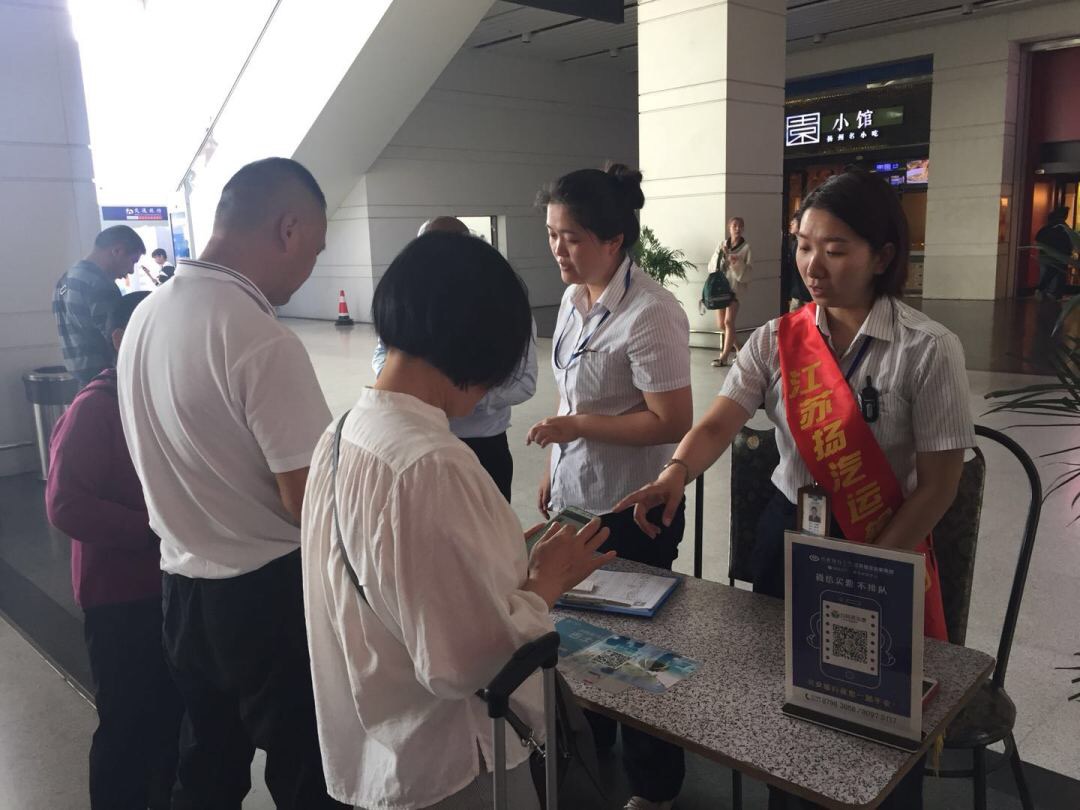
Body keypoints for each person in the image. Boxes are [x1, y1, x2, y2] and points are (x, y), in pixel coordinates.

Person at [615, 168, 976, 810]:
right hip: (787, 537)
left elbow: (940, 485)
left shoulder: (927, 349)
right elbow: (718, 423)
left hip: (883, 539)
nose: (813, 265)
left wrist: (870, 564)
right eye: (805, 246)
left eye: (835, 249)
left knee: (872, 716)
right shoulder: (775, 340)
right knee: (785, 704)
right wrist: (674, 473)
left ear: (882, 255)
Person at [302, 231, 613, 809]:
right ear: (477, 348)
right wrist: (544, 585)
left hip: (379, 747)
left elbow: (394, 579)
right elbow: (469, 662)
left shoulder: (341, 433)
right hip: (454, 764)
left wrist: (502, 557)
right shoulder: (432, 463)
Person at [117, 157, 345, 810]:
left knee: (207, 769)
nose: (310, 271)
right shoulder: (260, 338)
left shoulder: (146, 317)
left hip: (181, 588)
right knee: (308, 774)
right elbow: (310, 503)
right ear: (289, 229)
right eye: (315, 250)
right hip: (266, 598)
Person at [527, 163, 692, 810]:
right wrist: (555, 461)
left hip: (632, 506)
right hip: (576, 498)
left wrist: (575, 427)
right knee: (580, 640)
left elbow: (670, 421)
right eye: (551, 234)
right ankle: (590, 751)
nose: (558, 249)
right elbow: (570, 393)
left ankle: (655, 786)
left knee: (637, 655)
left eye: (571, 237)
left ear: (614, 239)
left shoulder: (651, 313)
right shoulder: (574, 303)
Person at [45, 291, 182, 810]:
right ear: (122, 339)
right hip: (120, 597)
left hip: (170, 583)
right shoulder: (95, 407)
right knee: (126, 724)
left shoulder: (163, 397)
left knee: (172, 717)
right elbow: (66, 505)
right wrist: (152, 530)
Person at [372, 216, 538, 501]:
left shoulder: (499, 310)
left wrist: (455, 396)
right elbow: (382, 355)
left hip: (482, 442)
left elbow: (524, 382)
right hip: (415, 433)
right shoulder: (407, 306)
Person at [54, 225, 145, 386]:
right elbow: (118, 342)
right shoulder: (99, 284)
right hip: (107, 382)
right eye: (132, 261)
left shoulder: (66, 279)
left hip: (82, 384)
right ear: (117, 251)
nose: (131, 271)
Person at [709, 216, 752, 366]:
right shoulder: (722, 245)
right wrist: (723, 257)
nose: (737, 229)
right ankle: (741, 349)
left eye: (740, 226)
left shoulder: (746, 248)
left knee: (728, 321)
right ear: (729, 227)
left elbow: (748, 272)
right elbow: (712, 265)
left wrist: (735, 260)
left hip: (734, 290)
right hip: (720, 288)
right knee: (721, 324)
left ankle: (724, 357)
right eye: (734, 226)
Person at [1035, 206, 1074, 300]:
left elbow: (1038, 238)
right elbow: (1069, 242)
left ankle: (1041, 291)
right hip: (1060, 256)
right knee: (1058, 275)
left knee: (1045, 273)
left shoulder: (1047, 227)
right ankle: (1053, 294)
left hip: (1044, 254)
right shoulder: (1064, 228)